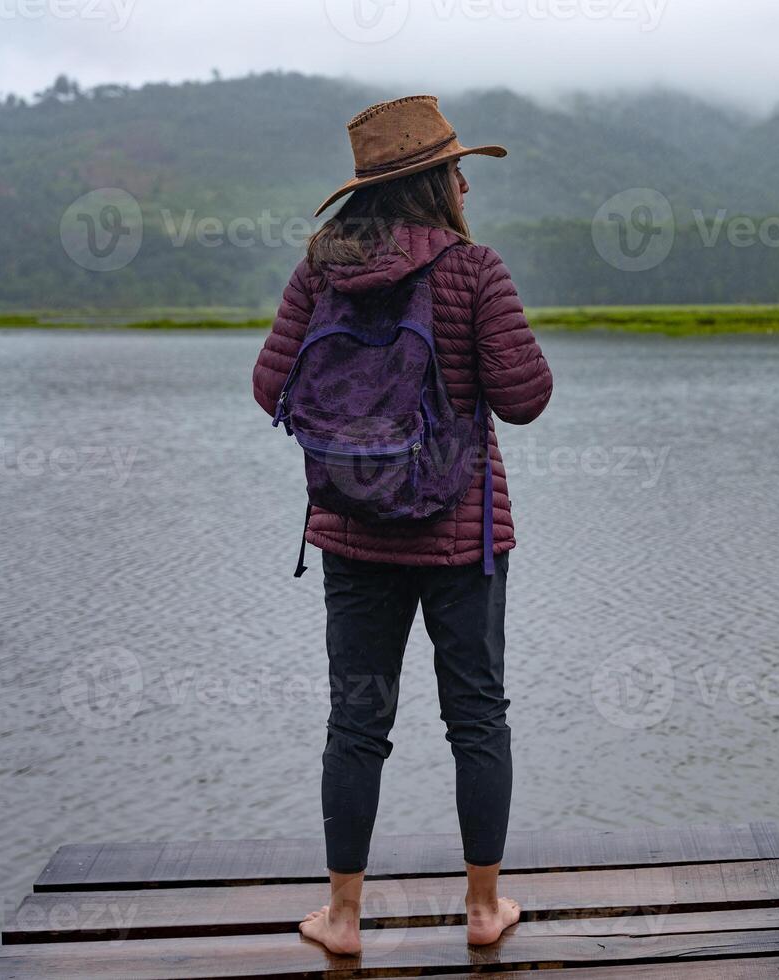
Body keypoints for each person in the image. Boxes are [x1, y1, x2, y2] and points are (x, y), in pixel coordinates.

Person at [252, 95, 553, 953]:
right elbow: (526, 400)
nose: (467, 183)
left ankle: (342, 918)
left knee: (356, 723)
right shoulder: (474, 269)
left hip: (351, 531)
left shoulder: (319, 270)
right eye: (458, 170)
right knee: (477, 719)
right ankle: (484, 911)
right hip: (463, 537)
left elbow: (270, 389)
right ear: (431, 183)